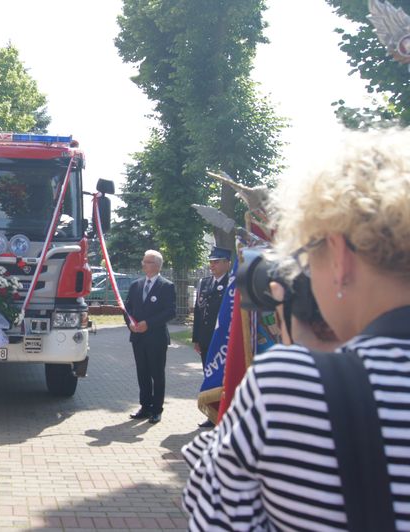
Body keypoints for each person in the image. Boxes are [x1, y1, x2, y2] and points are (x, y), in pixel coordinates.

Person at [182, 128, 410, 530]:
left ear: (339, 255)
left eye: (308, 253)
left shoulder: (295, 384)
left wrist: (304, 356)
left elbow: (216, 516)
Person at [124, 250, 177, 424]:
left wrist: (149, 323)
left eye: (147, 262)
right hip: (138, 338)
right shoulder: (136, 285)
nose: (143, 264)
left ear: (156, 265)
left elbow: (170, 312)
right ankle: (145, 407)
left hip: (156, 338)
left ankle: (156, 409)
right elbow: (127, 309)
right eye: (143, 261)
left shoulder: (166, 286)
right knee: (143, 373)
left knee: (157, 374)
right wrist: (130, 324)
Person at [191, 246, 232, 364]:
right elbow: (198, 312)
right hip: (205, 338)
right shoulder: (204, 283)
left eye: (216, 262)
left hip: (223, 338)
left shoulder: (232, 284)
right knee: (207, 371)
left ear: (227, 263)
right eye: (211, 262)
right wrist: (197, 339)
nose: (212, 265)